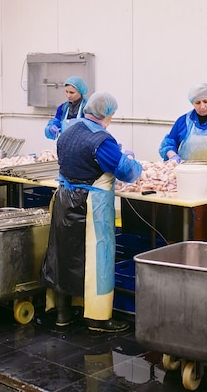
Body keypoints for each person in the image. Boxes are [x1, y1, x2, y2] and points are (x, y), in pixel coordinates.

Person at [40, 91, 142, 333]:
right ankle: (98, 318)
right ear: (106, 114)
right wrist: (129, 159)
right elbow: (127, 172)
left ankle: (63, 314)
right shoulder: (101, 140)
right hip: (90, 206)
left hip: (65, 200)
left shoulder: (68, 132)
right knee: (98, 260)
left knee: (63, 257)